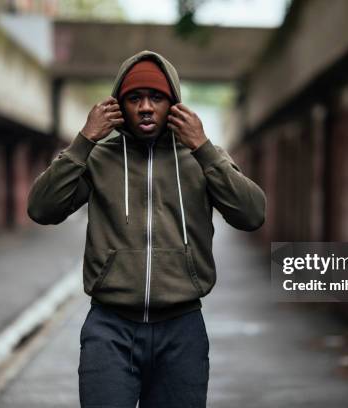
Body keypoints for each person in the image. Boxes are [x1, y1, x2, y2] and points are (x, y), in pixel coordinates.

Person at [27, 50, 266, 407]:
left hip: (182, 329)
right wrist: (83, 141)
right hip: (110, 328)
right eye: (134, 98)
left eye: (156, 97)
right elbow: (42, 209)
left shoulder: (203, 157)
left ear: (174, 103)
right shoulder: (98, 156)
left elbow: (252, 214)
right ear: (119, 105)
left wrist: (203, 149)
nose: (145, 107)